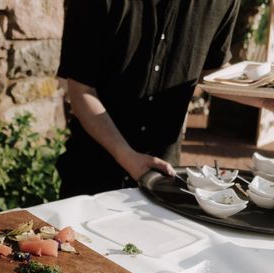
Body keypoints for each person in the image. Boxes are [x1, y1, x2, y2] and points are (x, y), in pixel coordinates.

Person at [57, 0, 240, 198]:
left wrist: (263, 97)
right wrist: (127, 156)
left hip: (163, 177)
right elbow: (81, 90)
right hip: (91, 175)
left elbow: (213, 69)